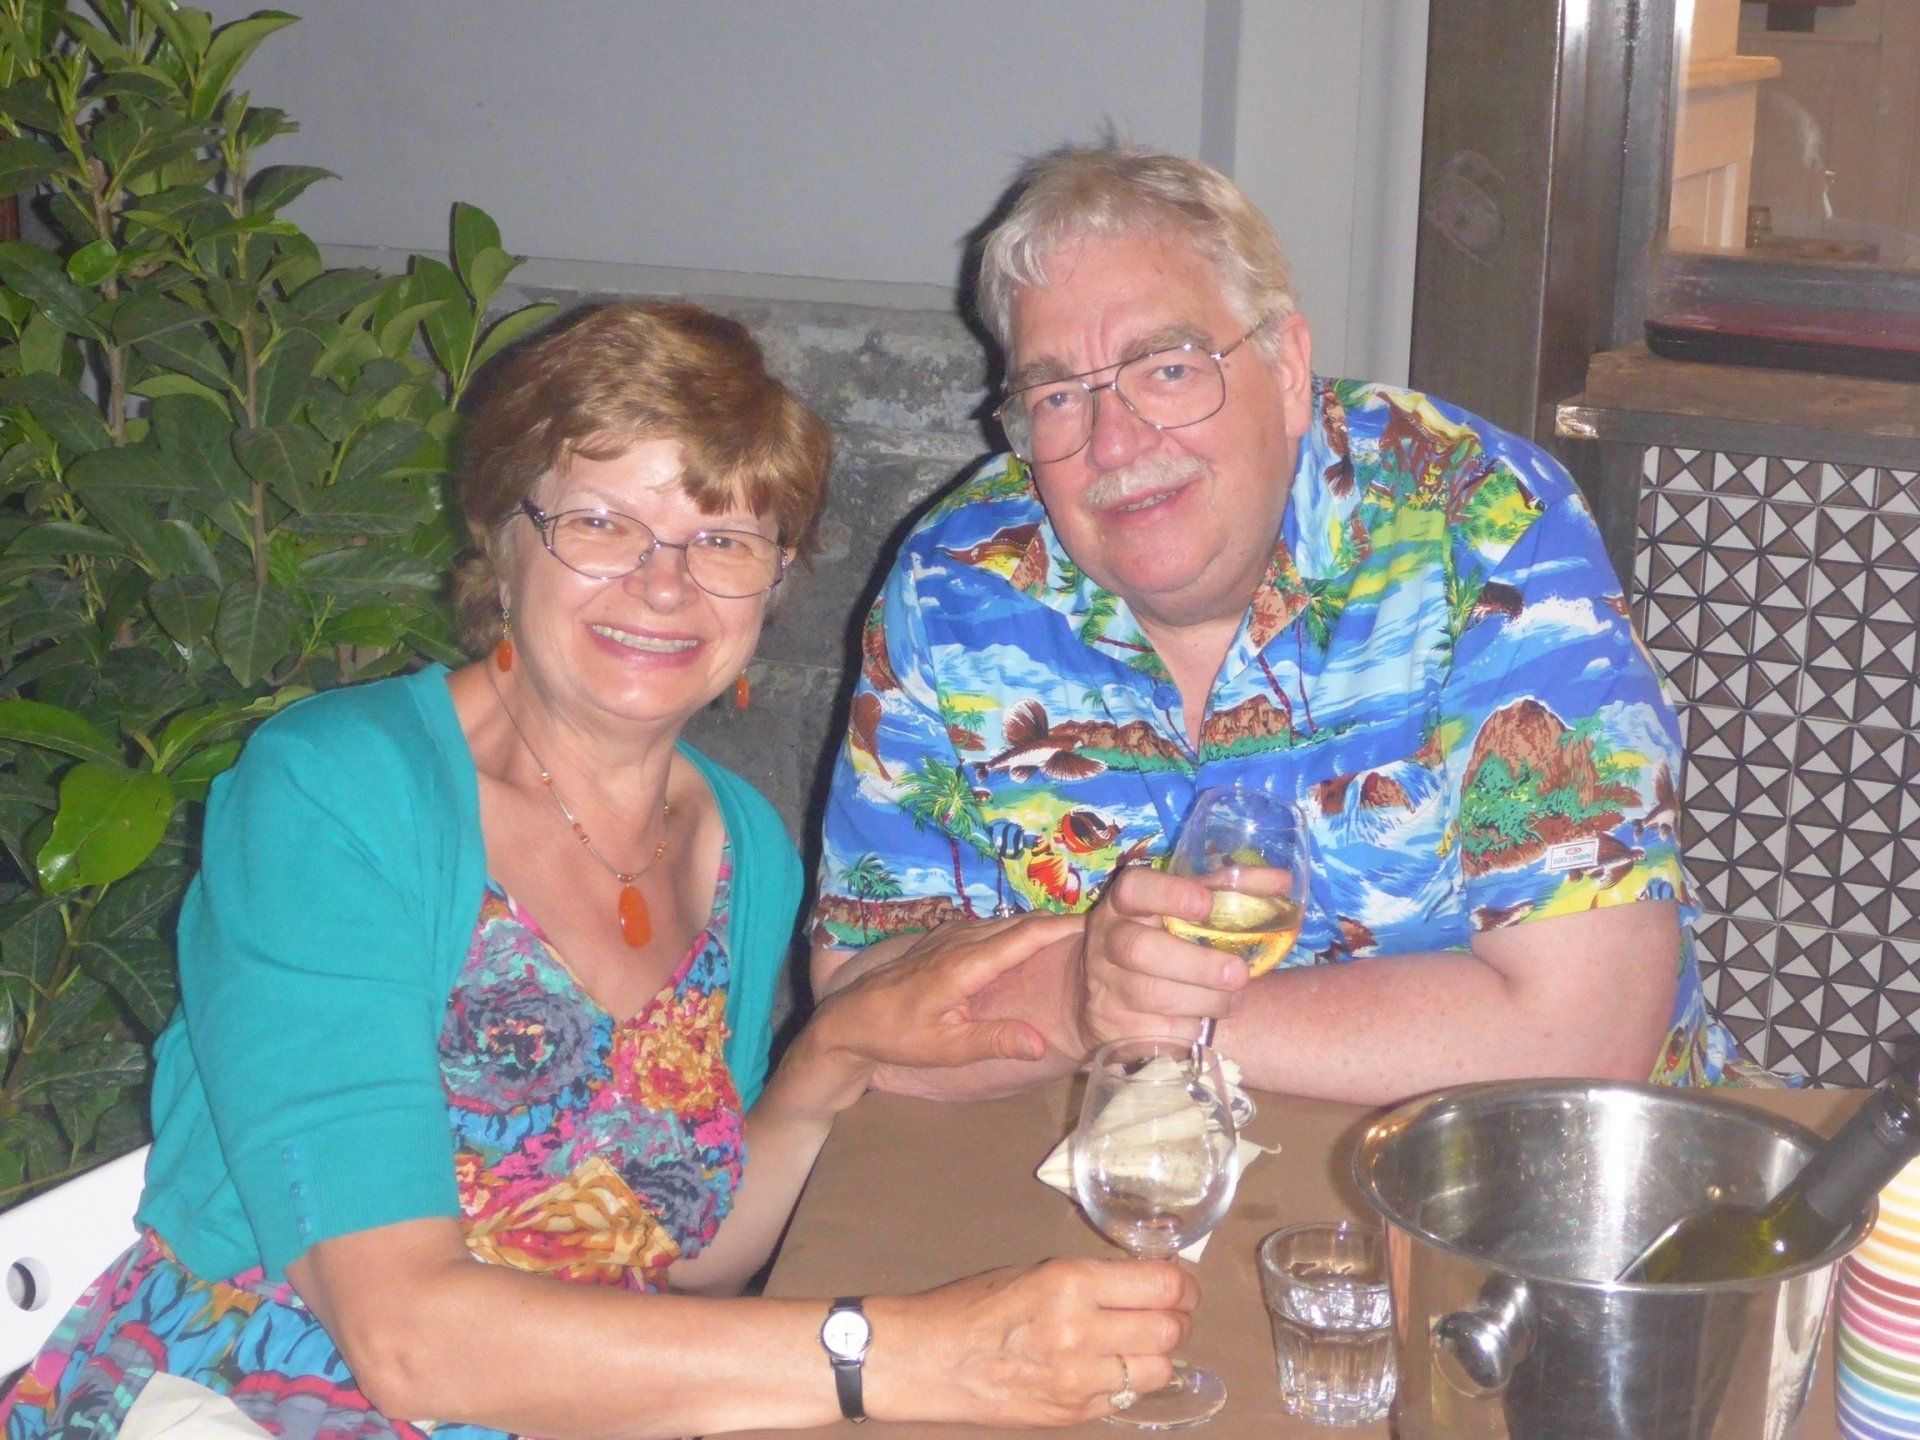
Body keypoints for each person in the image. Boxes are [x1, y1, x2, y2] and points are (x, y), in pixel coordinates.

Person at [0, 302, 1194, 1440]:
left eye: (723, 538)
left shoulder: (740, 847)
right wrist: (901, 1353)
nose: (664, 583)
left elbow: (668, 1249)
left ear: (775, 583)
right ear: (502, 541)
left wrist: (835, 1059)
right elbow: (403, 1334)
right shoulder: (337, 792)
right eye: (603, 524)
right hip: (260, 1394)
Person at [813, 145, 1727, 1104]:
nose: (1114, 443)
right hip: (1112, 1171)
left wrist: (1146, 1012)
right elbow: (860, 1014)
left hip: (1502, 1182)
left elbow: (1586, 1032)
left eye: (1166, 370)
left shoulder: (1477, 520)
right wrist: (1083, 1000)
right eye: (1055, 397)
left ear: (1288, 368)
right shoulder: (955, 581)